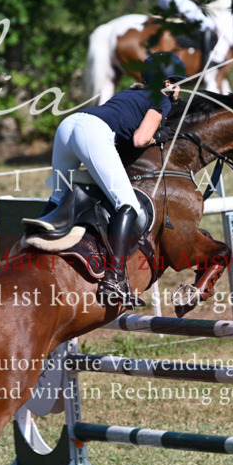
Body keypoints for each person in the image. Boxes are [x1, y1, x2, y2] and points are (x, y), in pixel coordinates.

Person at [29, 51, 186, 308]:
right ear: (167, 83)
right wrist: (159, 135)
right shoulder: (162, 99)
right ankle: (115, 277)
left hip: (69, 125)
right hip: (91, 132)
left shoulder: (130, 92)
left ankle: (28, 248)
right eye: (178, 83)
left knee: (58, 196)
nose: (180, 90)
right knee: (128, 205)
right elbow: (139, 140)